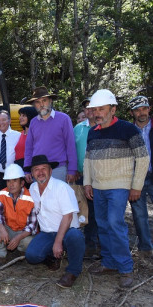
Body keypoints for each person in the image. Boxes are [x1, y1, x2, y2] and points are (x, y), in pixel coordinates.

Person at [84, 90, 149, 288]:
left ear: (113, 109)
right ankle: (109, 262)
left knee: (114, 223)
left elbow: (143, 158)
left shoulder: (128, 129)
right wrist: (87, 182)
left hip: (120, 186)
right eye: (94, 109)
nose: (97, 113)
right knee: (102, 224)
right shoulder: (92, 132)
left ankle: (125, 267)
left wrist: (136, 186)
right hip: (98, 187)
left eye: (101, 109)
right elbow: (87, 160)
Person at [25, 155, 85, 288]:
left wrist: (58, 241)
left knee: (76, 236)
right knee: (31, 256)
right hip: (47, 233)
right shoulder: (32, 189)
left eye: (44, 168)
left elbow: (68, 217)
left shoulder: (62, 188)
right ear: (32, 173)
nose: (40, 172)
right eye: (36, 169)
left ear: (51, 171)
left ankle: (72, 272)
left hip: (67, 230)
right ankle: (54, 257)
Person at [24, 86, 78, 183]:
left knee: (59, 198)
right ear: (34, 105)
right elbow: (29, 148)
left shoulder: (64, 119)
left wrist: (72, 170)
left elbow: (70, 145)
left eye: (44, 100)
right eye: (37, 102)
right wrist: (27, 169)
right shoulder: (33, 122)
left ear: (50, 101)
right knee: (40, 198)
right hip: (38, 170)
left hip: (58, 170)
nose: (41, 104)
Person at [0, 164, 36, 261]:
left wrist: (19, 237)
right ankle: (1, 255)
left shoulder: (31, 198)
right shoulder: (2, 194)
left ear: (22, 183)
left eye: (15, 180)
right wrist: (2, 229)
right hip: (8, 229)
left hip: (23, 232)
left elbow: (32, 226)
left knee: (29, 243)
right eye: (8, 181)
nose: (11, 184)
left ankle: (21, 251)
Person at [127, 95, 153, 259]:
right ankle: (145, 249)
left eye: (144, 108)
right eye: (137, 110)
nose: (141, 112)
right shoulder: (128, 131)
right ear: (132, 113)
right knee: (139, 214)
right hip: (137, 178)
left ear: (149, 109)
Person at [73, 98, 99, 258]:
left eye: (91, 107)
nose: (88, 110)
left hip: (101, 177)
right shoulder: (78, 128)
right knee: (85, 211)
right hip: (81, 176)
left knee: (99, 212)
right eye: (86, 108)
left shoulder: (103, 126)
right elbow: (71, 149)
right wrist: (73, 168)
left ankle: (102, 244)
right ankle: (89, 245)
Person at [0, 110, 21, 195]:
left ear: (9, 121)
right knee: (0, 200)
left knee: (14, 199)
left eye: (3, 120)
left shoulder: (18, 136)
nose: (1, 123)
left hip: (13, 175)